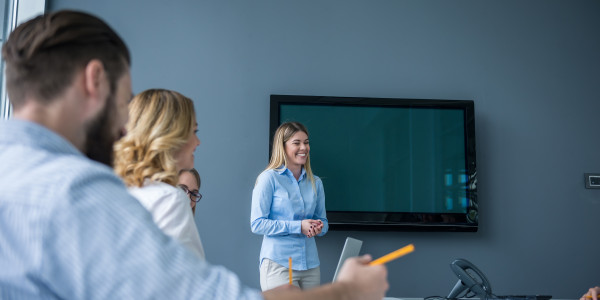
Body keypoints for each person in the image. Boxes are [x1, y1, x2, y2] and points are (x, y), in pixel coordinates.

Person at [0, 10, 388, 300]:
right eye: (124, 101)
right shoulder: (80, 192)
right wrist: (347, 291)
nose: (124, 127)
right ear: (95, 80)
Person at [113, 89, 205, 259]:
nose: (197, 142)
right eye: (194, 132)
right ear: (172, 137)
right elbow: (187, 282)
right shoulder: (170, 199)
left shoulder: (116, 191)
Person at [251, 121, 328, 290]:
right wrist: (298, 226)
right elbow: (257, 224)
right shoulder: (268, 179)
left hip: (310, 266)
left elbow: (324, 222)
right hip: (279, 265)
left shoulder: (316, 182)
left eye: (306, 143)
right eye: (297, 143)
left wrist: (318, 227)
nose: (304, 148)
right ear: (283, 146)